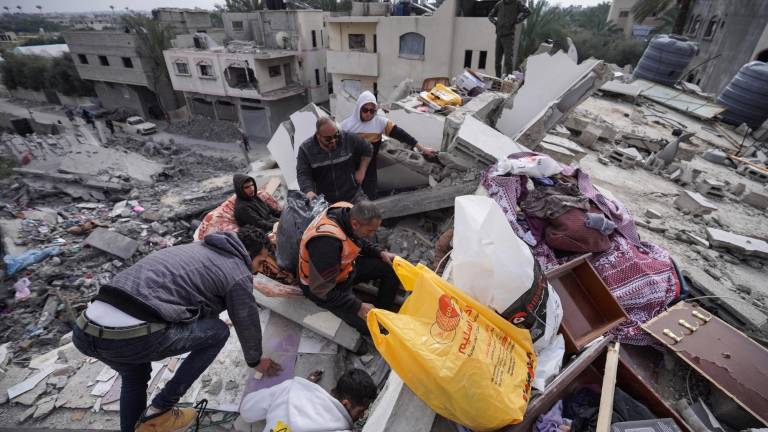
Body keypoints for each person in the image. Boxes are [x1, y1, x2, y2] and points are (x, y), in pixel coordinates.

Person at [72, 228, 283, 432]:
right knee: (218, 333)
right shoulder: (238, 271)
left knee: (135, 374)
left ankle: (140, 428)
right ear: (248, 253)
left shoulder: (197, 248)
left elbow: (185, 293)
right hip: (128, 337)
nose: (258, 270)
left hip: (84, 330)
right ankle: (160, 410)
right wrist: (255, 361)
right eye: (260, 262)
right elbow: (246, 320)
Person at [298, 200, 399, 335]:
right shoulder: (326, 244)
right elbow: (321, 290)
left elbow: (359, 239)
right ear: (355, 224)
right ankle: (376, 325)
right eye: (370, 231)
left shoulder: (348, 211)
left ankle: (383, 313)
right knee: (372, 327)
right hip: (325, 288)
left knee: (390, 268)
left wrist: (379, 252)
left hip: (344, 270)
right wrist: (358, 306)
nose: (372, 235)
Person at [341, 91, 437, 200]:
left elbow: (402, 135)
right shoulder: (346, 126)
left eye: (372, 111)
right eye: (365, 110)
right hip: (350, 169)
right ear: (359, 108)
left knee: (370, 198)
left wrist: (422, 148)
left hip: (370, 170)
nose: (368, 114)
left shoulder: (380, 123)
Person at [239, 368, 378, 432]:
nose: (361, 416)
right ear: (345, 404)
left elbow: (246, 410)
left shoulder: (290, 389)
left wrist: (302, 388)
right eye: (360, 411)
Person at [297, 117, 373, 204]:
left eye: (336, 136)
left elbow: (368, 148)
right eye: (328, 139)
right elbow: (303, 174)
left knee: (369, 210)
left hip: (353, 195)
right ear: (318, 135)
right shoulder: (306, 149)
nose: (333, 141)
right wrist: (308, 191)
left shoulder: (348, 138)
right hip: (325, 202)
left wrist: (362, 170)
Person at [488, 0, 531, 77]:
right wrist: (496, 23)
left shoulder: (517, 3)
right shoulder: (499, 4)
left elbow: (528, 12)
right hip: (499, 35)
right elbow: (490, 16)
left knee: (508, 60)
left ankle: (509, 78)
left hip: (508, 35)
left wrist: (516, 21)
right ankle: (497, 79)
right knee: (497, 61)